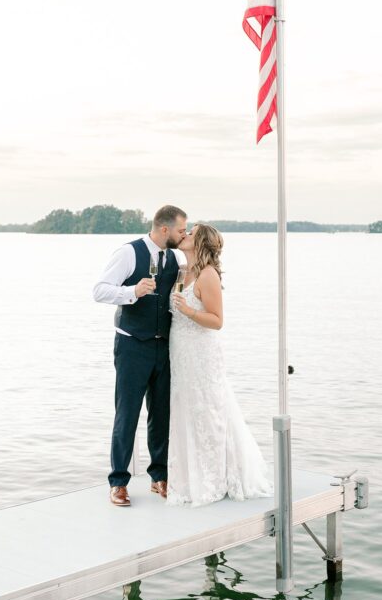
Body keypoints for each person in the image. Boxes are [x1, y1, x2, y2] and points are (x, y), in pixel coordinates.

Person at [167, 224, 272, 506]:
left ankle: (214, 477)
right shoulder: (182, 271)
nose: (185, 234)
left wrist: (188, 310)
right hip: (180, 352)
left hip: (201, 352)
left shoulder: (208, 274)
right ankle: (189, 476)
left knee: (208, 409)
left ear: (200, 242)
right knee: (185, 408)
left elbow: (217, 320)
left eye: (191, 232)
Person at [93, 205, 188, 506]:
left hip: (164, 346)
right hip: (132, 345)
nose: (183, 234)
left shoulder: (174, 259)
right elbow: (99, 291)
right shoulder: (128, 253)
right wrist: (132, 291)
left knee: (160, 415)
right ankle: (118, 481)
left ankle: (159, 477)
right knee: (127, 414)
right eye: (180, 230)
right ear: (164, 230)